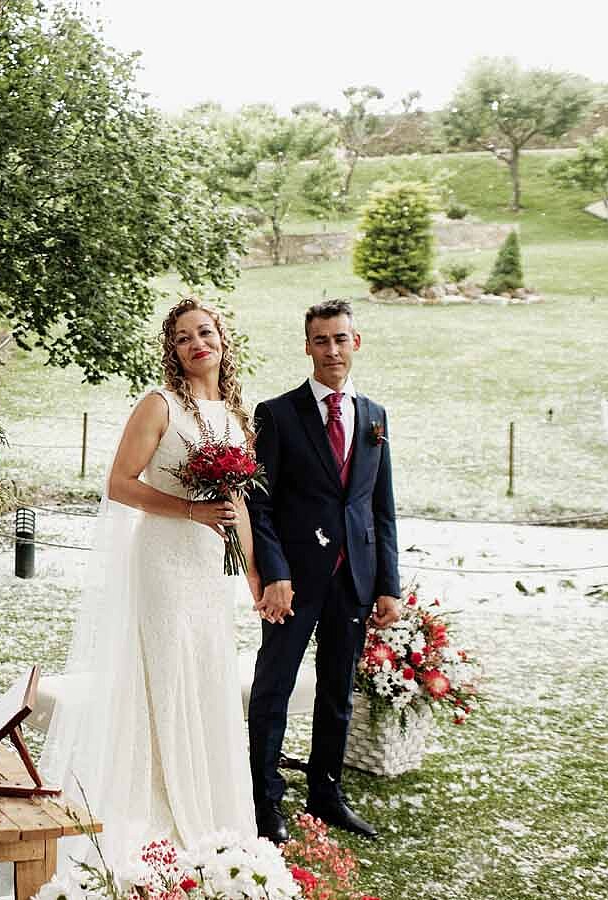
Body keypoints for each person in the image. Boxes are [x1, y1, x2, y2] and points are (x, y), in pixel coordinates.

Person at [43, 298, 263, 856]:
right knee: (164, 672)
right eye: (185, 337)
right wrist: (189, 510)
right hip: (164, 559)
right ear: (174, 349)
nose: (198, 344)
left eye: (205, 332)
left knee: (207, 673)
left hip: (212, 569)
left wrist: (255, 579)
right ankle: (154, 806)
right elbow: (119, 483)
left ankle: (209, 805)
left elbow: (239, 507)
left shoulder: (238, 416)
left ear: (222, 341)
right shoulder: (160, 405)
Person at [246, 299, 401, 844]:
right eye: (321, 341)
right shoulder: (278, 414)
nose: (331, 350)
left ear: (355, 343)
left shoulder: (375, 416)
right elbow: (259, 505)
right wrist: (275, 573)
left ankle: (327, 794)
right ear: (307, 346)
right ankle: (265, 802)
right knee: (275, 688)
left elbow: (380, 508)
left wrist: (388, 586)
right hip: (294, 582)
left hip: (354, 579)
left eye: (340, 339)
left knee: (338, 691)